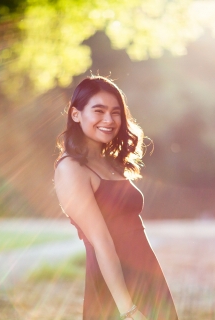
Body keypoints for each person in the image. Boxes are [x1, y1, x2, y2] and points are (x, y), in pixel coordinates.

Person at [54, 75, 179, 320]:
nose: (109, 120)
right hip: (115, 286)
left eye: (116, 112)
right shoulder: (71, 168)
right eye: (98, 111)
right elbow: (102, 243)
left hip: (148, 275)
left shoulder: (110, 162)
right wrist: (127, 309)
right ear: (76, 114)